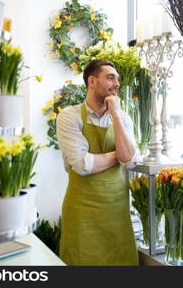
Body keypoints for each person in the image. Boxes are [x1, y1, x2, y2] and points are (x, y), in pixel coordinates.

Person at [56, 59, 139, 266]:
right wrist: (118, 154)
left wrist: (116, 115)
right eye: (110, 77)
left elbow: (130, 160)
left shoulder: (123, 118)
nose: (117, 83)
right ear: (92, 81)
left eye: (117, 79)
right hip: (82, 214)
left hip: (117, 213)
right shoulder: (69, 116)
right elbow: (83, 165)